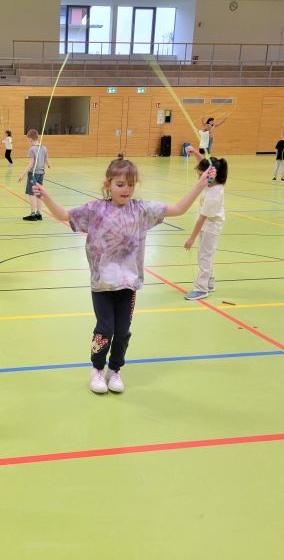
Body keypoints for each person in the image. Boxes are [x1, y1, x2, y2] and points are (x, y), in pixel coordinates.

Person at [32, 154, 214, 394]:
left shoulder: (141, 210)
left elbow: (179, 209)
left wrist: (201, 183)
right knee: (104, 328)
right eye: (120, 184)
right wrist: (45, 197)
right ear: (108, 184)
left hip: (128, 283)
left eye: (130, 184)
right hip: (102, 284)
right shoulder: (95, 210)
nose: (126, 189)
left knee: (122, 331)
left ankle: (115, 369)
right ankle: (97, 368)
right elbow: (64, 216)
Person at [183, 146, 227, 301]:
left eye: (200, 175)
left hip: (210, 227)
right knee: (207, 254)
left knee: (204, 257)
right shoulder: (212, 183)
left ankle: (201, 289)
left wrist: (191, 238)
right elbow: (205, 164)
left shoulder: (213, 195)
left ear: (211, 175)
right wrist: (196, 152)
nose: (199, 178)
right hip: (209, 225)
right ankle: (209, 282)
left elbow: (201, 219)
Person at [17, 129, 51, 221]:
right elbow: (46, 159)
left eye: (28, 140)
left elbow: (31, 164)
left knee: (31, 193)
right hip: (41, 173)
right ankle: (39, 213)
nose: (28, 142)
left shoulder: (32, 149)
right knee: (38, 193)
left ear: (30, 139)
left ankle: (33, 214)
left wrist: (23, 174)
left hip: (33, 174)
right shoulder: (44, 148)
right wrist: (49, 165)